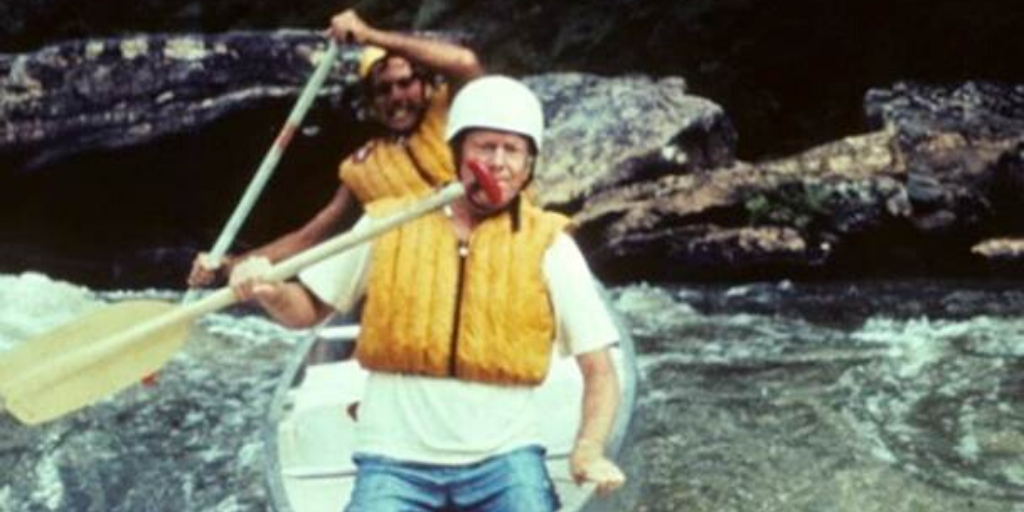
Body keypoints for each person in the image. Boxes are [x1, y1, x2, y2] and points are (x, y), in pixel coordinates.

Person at [231, 75, 626, 511]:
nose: (497, 162)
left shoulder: (550, 243)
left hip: (505, 458)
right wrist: (269, 290)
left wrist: (588, 448)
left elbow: (601, 372)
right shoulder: (388, 223)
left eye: (512, 150)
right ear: (455, 153)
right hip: (394, 463)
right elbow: (304, 311)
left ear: (528, 163)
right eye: (484, 147)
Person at [188, 9, 483, 287]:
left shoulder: (455, 110)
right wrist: (229, 267)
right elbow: (307, 239)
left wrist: (370, 35)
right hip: (425, 279)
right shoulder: (362, 166)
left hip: (489, 255)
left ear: (426, 85)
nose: (396, 97)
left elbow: (465, 62)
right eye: (383, 90)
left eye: (405, 83)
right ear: (370, 105)